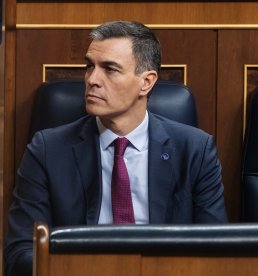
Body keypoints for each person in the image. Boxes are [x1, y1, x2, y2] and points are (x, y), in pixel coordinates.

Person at [5, 21, 228, 276]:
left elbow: (216, 252)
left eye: (110, 69)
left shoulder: (195, 150)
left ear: (146, 82)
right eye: (90, 66)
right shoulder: (47, 150)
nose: (92, 80)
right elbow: (20, 255)